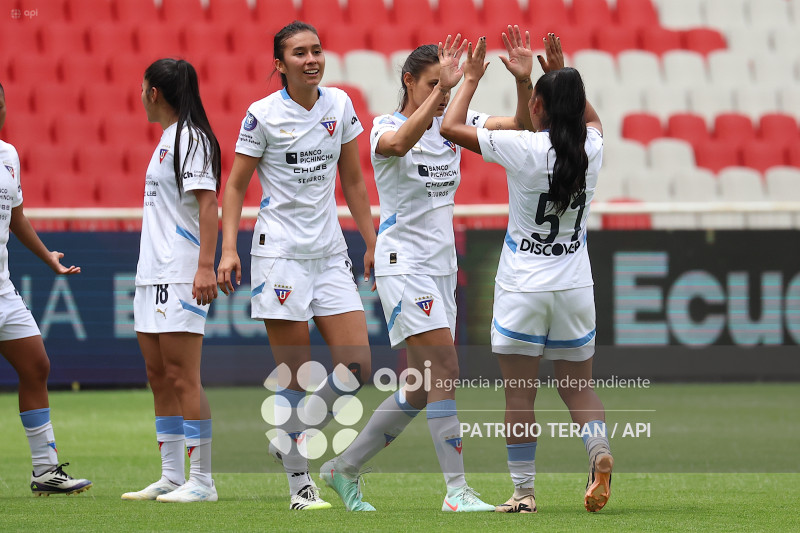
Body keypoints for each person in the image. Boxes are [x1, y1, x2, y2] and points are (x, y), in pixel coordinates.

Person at [320, 27, 537, 513]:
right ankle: (457, 492)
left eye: (445, 86)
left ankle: (343, 468)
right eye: (432, 85)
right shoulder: (382, 126)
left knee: (420, 387)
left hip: (441, 269)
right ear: (410, 81)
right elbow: (398, 144)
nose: (441, 96)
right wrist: (448, 90)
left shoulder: (453, 121)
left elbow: (521, 126)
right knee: (447, 371)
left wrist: (513, 82)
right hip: (404, 265)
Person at [440, 34, 613, 513]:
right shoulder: (592, 148)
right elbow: (592, 119)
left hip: (523, 286)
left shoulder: (523, 148)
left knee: (520, 396)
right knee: (579, 388)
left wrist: (474, 77)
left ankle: (524, 493)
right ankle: (598, 451)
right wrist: (559, 75)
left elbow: (450, 126)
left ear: (535, 106)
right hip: (575, 284)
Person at [216, 21, 376, 511]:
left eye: (317, 50)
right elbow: (237, 186)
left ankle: (292, 432)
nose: (312, 59)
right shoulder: (261, 114)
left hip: (330, 254)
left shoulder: (341, 105)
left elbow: (352, 180)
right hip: (280, 255)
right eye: (299, 53)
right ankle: (299, 486)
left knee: (358, 366)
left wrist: (371, 242)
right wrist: (227, 250)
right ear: (280, 65)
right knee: (296, 376)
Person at [121, 59, 221, 503]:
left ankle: (202, 481)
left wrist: (205, 266)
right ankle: (171, 475)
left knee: (184, 376)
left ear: (154, 93)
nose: (141, 95)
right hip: (151, 275)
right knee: (158, 374)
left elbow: (207, 205)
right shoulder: (167, 139)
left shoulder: (191, 139)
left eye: (143, 88)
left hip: (181, 272)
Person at [0, 81, 92, 496]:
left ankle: (45, 471)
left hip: (3, 289)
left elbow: (16, 216)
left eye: (0, 104)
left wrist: (46, 258)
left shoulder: (8, 156)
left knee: (36, 364)